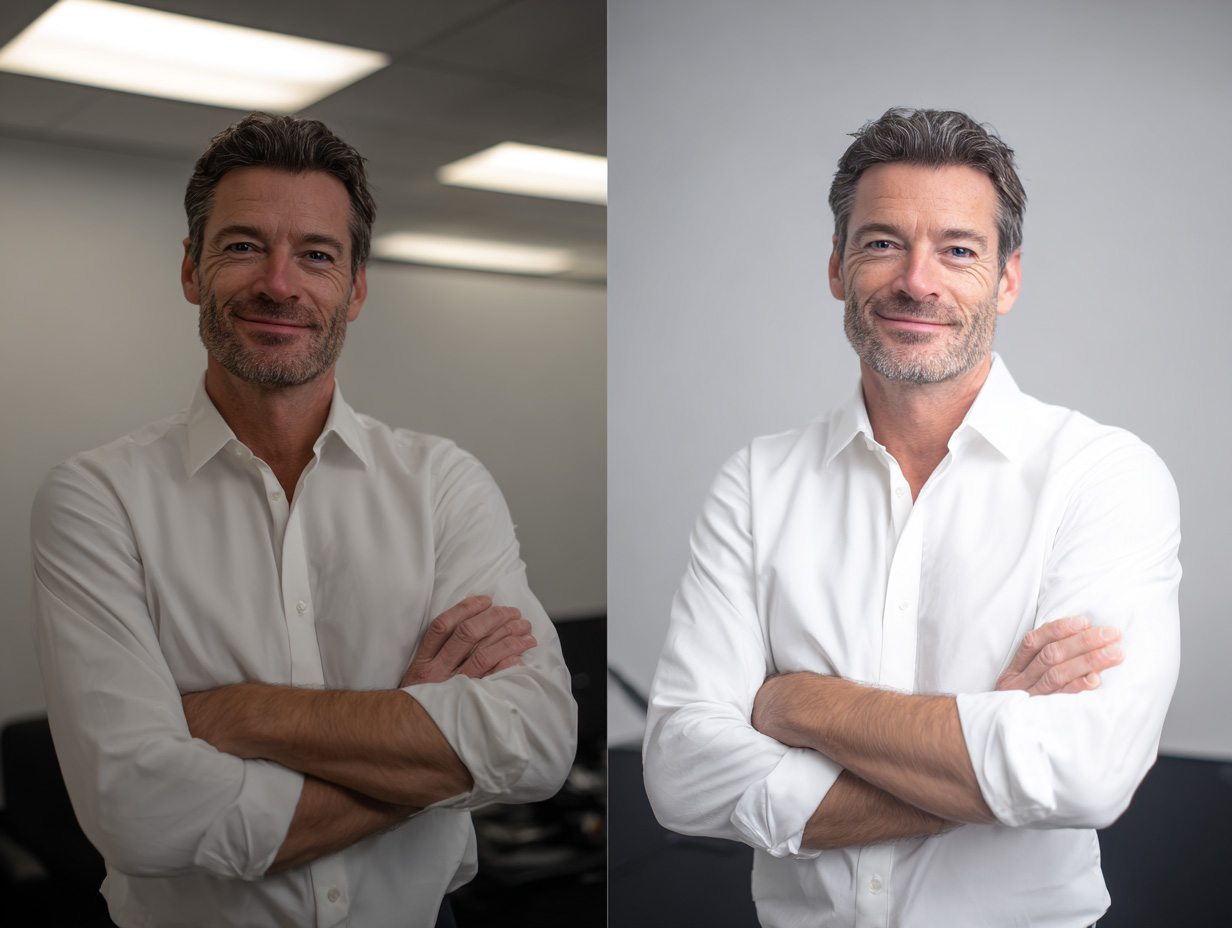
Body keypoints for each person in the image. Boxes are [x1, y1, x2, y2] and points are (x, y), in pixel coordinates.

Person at [29, 113, 577, 928]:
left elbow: (535, 741)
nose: (279, 284)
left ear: (355, 288)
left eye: (316, 255)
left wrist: (244, 715)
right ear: (190, 269)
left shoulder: (443, 485)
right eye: (243, 246)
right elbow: (140, 814)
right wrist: (417, 730)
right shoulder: (94, 500)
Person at [642, 107, 1180, 926]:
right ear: (836, 267)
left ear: (1007, 278)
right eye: (883, 242)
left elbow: (1087, 772)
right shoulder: (756, 483)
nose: (917, 282)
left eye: (959, 250)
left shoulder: (1102, 476)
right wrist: (984, 751)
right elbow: (681, 775)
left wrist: (799, 705)